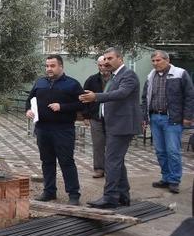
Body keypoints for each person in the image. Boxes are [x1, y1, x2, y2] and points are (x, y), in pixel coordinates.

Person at [79, 47, 140, 209]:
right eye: (104, 59)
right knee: (117, 161)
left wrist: (96, 97)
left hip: (122, 125)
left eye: (110, 58)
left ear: (120, 58)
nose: (106, 62)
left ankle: (110, 197)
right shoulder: (115, 76)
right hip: (112, 124)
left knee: (111, 161)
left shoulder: (128, 75)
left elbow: (121, 94)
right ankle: (123, 195)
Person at [26, 55, 85, 205]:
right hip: (43, 129)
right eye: (47, 66)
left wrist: (62, 107)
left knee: (66, 161)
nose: (49, 69)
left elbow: (83, 104)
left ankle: (73, 194)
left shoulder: (72, 84)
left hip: (63, 129)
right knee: (47, 161)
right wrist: (28, 110)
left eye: (52, 66)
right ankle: (49, 191)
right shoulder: (40, 82)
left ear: (61, 66)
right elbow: (30, 100)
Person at [141, 50, 194, 195]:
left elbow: (190, 96)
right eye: (153, 61)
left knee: (173, 151)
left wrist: (188, 117)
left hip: (172, 119)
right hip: (155, 118)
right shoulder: (150, 76)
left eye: (158, 60)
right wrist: (144, 117)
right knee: (160, 151)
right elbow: (145, 97)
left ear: (167, 59)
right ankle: (165, 177)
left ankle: (174, 180)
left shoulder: (180, 73)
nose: (155, 63)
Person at [83, 56, 113, 178]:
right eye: (99, 65)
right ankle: (99, 168)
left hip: (113, 117)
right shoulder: (91, 80)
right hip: (96, 117)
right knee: (98, 144)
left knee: (112, 144)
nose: (102, 68)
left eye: (104, 65)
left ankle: (111, 169)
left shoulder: (116, 79)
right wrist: (86, 116)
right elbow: (84, 98)